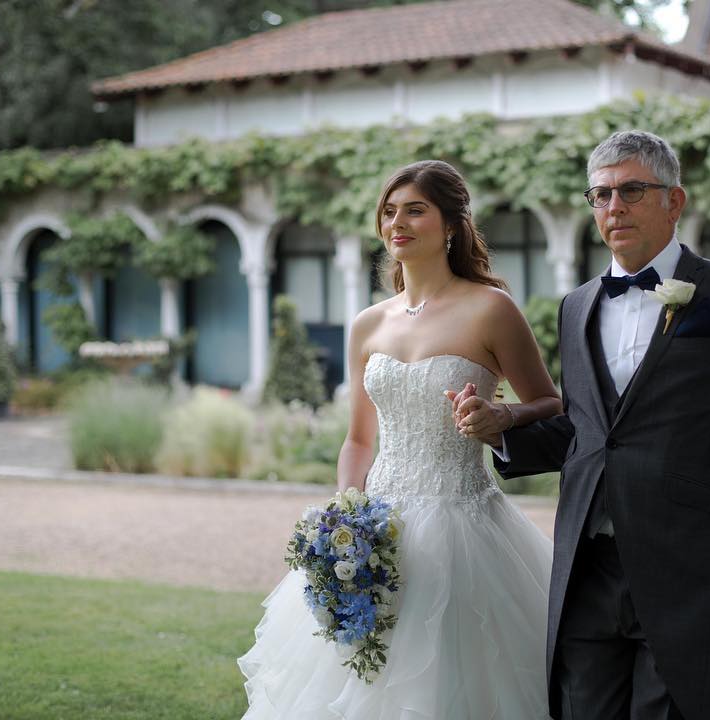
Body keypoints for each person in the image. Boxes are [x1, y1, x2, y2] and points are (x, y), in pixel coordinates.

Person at [450, 130, 710, 720]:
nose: (614, 207)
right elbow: (587, 433)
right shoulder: (576, 306)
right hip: (587, 571)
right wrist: (500, 430)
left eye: (631, 191)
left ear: (674, 201)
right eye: (600, 195)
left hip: (690, 571)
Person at [238, 159, 562, 719]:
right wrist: (346, 516)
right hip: (376, 530)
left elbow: (551, 403)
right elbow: (359, 441)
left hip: (465, 532)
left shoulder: (491, 309)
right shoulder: (368, 323)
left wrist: (501, 417)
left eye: (415, 210)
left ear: (452, 224)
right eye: (389, 212)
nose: (397, 223)